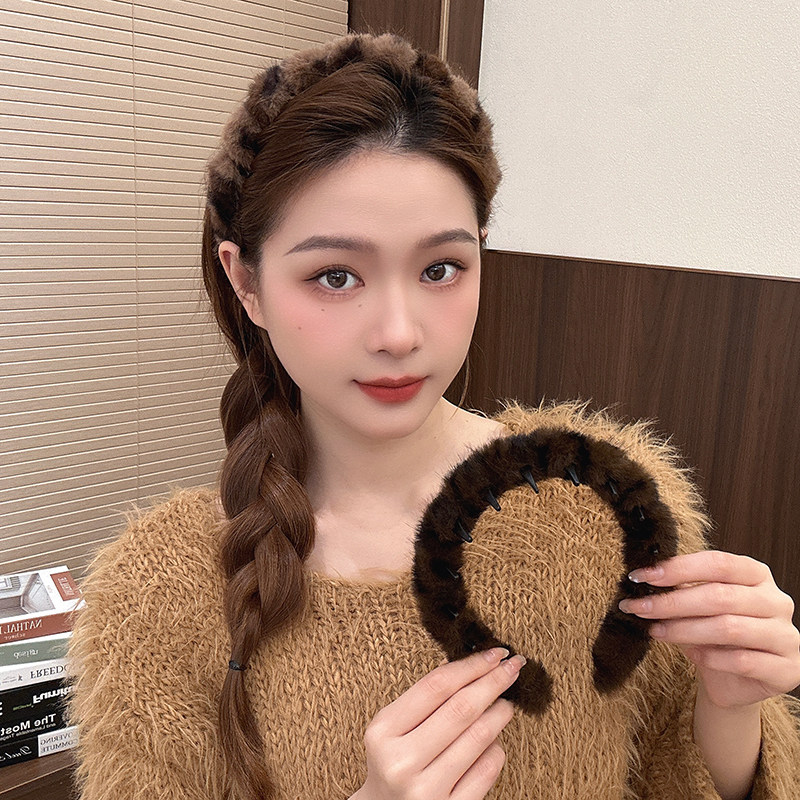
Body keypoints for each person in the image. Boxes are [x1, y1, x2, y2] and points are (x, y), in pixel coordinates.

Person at [67, 31, 800, 800]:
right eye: (336, 276)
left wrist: (731, 708)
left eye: (441, 268)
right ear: (245, 282)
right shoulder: (154, 595)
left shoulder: (603, 501)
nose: (399, 333)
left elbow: (680, 775)